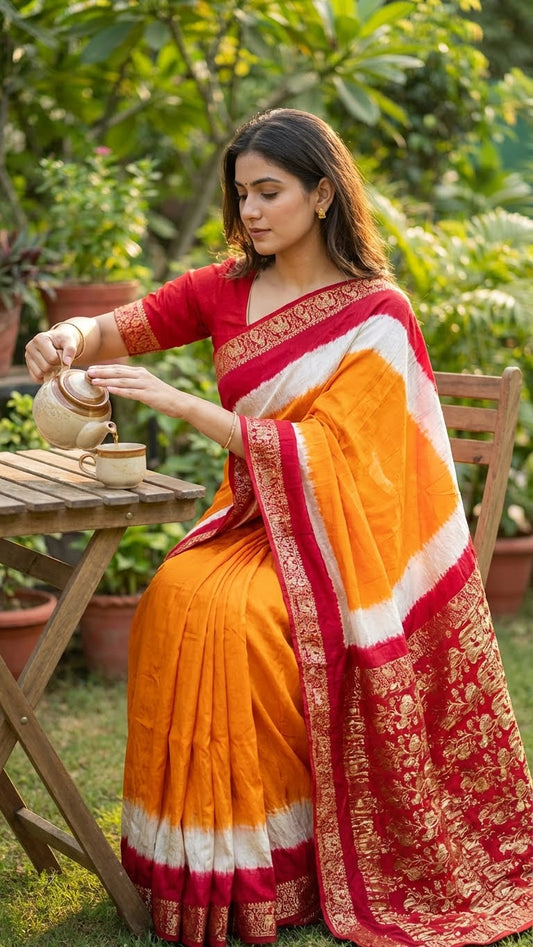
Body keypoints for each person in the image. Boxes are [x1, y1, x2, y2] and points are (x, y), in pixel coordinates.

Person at [25, 109, 533, 947]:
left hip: (347, 546)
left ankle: (275, 865)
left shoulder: (376, 312)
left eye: (269, 192)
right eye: (240, 195)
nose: (250, 212)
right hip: (255, 524)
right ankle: (203, 863)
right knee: (172, 596)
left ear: (323, 193)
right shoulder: (226, 288)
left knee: (238, 622)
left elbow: (341, 457)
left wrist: (186, 406)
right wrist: (66, 335)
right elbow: (124, 324)